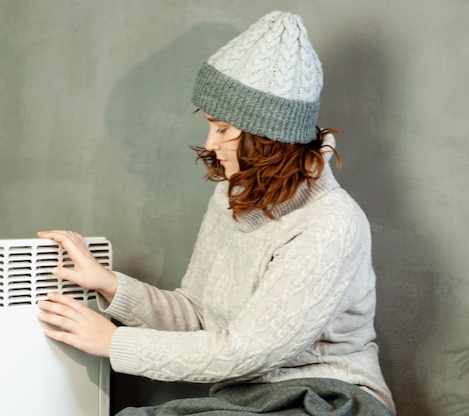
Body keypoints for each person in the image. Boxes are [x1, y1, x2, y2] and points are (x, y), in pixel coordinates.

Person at [37, 10, 396, 415]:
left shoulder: (331, 224)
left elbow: (249, 351)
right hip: (246, 400)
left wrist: (112, 343)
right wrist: (110, 285)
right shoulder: (234, 194)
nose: (210, 143)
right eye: (211, 125)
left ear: (267, 135)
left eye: (224, 129)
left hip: (329, 398)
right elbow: (198, 315)